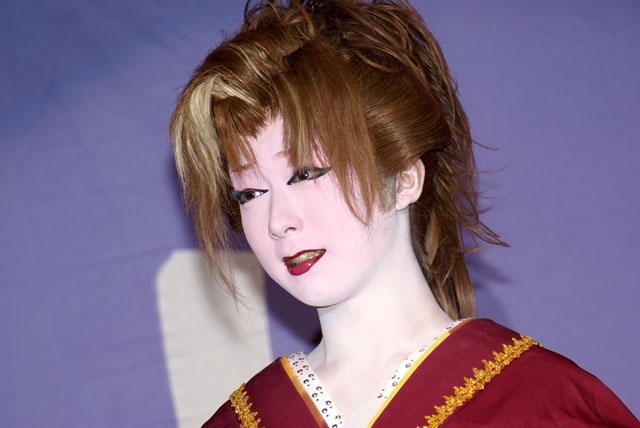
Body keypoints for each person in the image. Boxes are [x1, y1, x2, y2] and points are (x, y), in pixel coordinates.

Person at [169, 1, 639, 426]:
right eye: (250, 193)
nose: (278, 221)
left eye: (307, 173)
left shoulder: (541, 404)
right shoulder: (241, 420)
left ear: (404, 179)